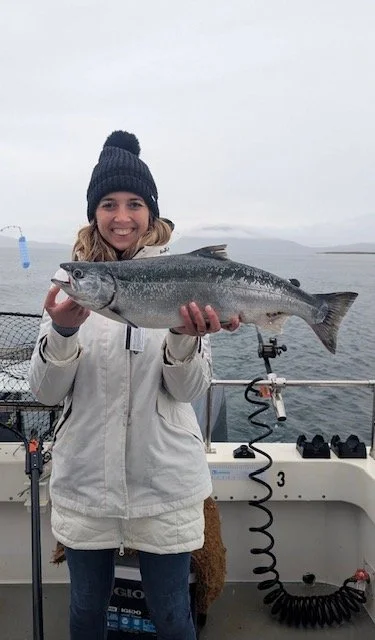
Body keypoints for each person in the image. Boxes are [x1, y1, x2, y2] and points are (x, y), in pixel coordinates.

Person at [29, 129, 239, 640]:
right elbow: (45, 392)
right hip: (86, 483)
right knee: (84, 611)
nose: (121, 217)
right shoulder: (69, 283)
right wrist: (63, 330)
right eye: (108, 204)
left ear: (152, 213)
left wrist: (185, 339)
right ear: (93, 213)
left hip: (164, 482)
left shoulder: (186, 276)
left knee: (171, 613)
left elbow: (188, 391)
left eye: (134, 204)